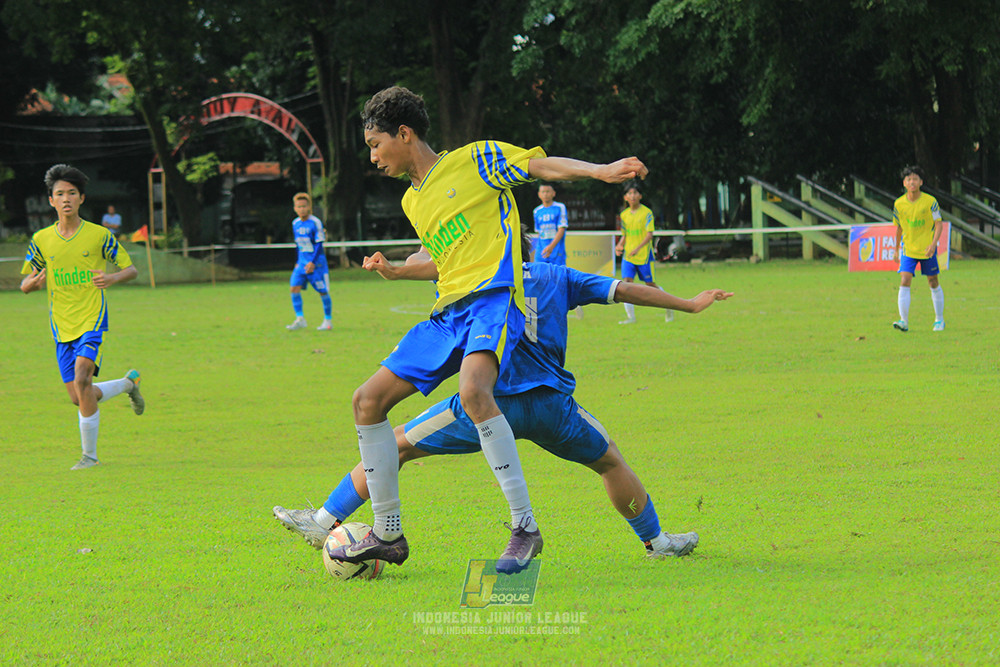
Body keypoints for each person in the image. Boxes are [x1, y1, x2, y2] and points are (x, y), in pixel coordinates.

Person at [332, 85, 648, 574]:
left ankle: (525, 527)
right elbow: (437, 257)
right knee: (366, 401)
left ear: (404, 133)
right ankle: (387, 533)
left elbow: (540, 166)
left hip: (492, 301)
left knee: (475, 392)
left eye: (376, 144)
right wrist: (397, 269)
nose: (372, 157)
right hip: (448, 311)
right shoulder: (413, 201)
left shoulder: (476, 160)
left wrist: (600, 171)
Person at [274, 251, 733, 560]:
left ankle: (323, 521)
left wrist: (394, 268)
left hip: (487, 408)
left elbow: (431, 264)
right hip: (553, 408)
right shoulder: (559, 276)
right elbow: (626, 290)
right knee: (610, 460)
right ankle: (657, 542)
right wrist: (690, 305)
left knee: (394, 444)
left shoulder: (480, 276)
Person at [20, 164, 144, 470]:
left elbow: (131, 269)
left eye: (71, 193)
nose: (66, 199)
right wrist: (32, 284)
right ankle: (129, 384)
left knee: (83, 378)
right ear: (51, 200)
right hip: (61, 326)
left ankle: (89, 457)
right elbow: (24, 283)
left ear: (82, 198)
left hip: (91, 320)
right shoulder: (41, 240)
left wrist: (111, 279)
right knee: (81, 396)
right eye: (59, 194)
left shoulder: (99, 236)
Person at [892, 165, 945, 332]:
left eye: (915, 179)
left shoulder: (930, 202)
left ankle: (939, 320)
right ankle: (903, 321)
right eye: (909, 179)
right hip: (909, 250)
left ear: (921, 182)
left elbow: (938, 224)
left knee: (933, 281)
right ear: (904, 183)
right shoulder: (899, 204)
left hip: (927, 249)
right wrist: (895, 249)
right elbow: (899, 227)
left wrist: (933, 244)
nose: (912, 182)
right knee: (905, 280)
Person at [616, 183, 673, 324]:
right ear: (625, 197)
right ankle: (631, 317)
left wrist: (638, 248)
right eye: (629, 193)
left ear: (640, 196)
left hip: (644, 256)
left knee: (650, 285)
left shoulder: (647, 213)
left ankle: (669, 306)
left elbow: (649, 235)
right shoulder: (624, 215)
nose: (632, 196)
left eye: (635, 193)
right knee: (626, 284)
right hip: (628, 256)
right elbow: (625, 234)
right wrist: (619, 245)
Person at [285, 192, 333, 331]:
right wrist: (297, 261)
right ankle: (300, 319)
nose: (301, 209)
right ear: (295, 208)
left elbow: (319, 244)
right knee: (294, 288)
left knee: (322, 291)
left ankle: (328, 321)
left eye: (304, 206)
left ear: (309, 207)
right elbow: (298, 245)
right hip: (301, 263)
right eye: (299, 206)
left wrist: (312, 262)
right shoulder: (295, 223)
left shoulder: (315, 222)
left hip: (316, 264)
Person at [532, 183, 568, 265]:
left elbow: (562, 229)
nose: (545, 194)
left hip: (557, 250)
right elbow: (539, 232)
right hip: (541, 251)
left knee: (558, 275)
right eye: (543, 192)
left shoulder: (560, 207)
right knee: (539, 275)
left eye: (548, 191)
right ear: (539, 194)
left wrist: (551, 247)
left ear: (553, 193)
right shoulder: (536, 211)